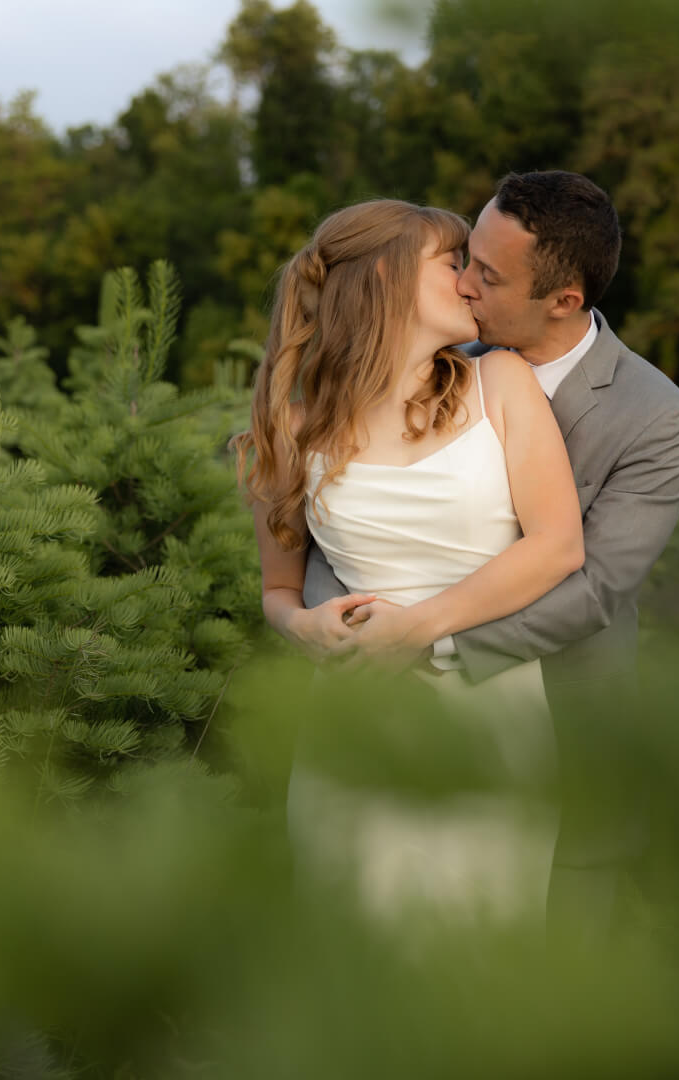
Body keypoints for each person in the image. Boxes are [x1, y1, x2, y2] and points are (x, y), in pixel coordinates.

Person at [306, 171, 679, 946]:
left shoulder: (657, 420)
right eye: (465, 258)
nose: (462, 281)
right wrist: (342, 621)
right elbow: (351, 516)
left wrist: (426, 639)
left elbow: (595, 588)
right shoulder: (440, 354)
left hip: (560, 726)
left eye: (487, 275)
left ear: (564, 298)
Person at [235, 197, 583, 925]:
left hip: (492, 718)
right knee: (356, 935)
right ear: (386, 281)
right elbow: (276, 588)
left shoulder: (502, 385)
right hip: (357, 720)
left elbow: (557, 544)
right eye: (452, 263)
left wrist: (415, 627)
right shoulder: (291, 429)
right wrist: (303, 629)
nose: (467, 283)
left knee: (486, 942)